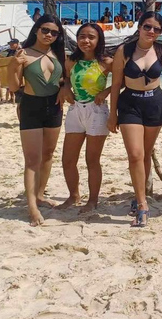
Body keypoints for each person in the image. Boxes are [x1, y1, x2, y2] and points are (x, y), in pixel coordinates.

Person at [107, 11, 162, 227]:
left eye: (156, 29)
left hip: (154, 103)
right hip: (130, 104)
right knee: (135, 155)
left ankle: (141, 194)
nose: (151, 31)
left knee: (145, 154)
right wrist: (112, 114)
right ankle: (142, 204)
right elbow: (117, 84)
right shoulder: (124, 51)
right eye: (147, 26)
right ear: (139, 27)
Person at [8, 15, 67, 226]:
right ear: (36, 30)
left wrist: (64, 88)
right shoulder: (24, 54)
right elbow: (14, 87)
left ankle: (40, 195)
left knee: (49, 154)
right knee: (32, 159)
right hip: (31, 106)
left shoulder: (59, 54)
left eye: (54, 32)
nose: (49, 35)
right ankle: (32, 207)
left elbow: (65, 79)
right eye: (45, 30)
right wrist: (15, 65)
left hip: (54, 107)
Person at [56, 23, 113, 212]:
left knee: (92, 160)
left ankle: (93, 200)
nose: (85, 41)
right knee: (68, 159)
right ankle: (73, 195)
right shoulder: (71, 61)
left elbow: (124, 82)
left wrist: (107, 91)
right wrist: (65, 89)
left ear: (99, 40)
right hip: (75, 110)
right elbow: (64, 79)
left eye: (91, 37)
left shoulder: (106, 62)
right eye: (82, 36)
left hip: (97, 112)